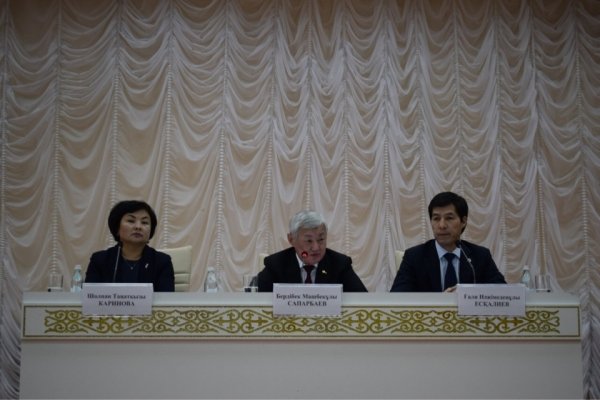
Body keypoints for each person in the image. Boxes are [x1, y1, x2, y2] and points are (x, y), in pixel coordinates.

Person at [391, 191, 506, 292]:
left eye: (449, 218)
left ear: (463, 221)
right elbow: (398, 298)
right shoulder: (414, 257)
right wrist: (441, 302)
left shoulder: (480, 256)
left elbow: (502, 292)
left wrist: (467, 295)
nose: (442, 225)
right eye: (436, 218)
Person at [257, 210, 367, 292]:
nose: (316, 248)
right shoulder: (276, 264)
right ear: (291, 239)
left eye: (321, 239)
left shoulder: (340, 264)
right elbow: (254, 300)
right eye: (309, 241)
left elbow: (362, 301)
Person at [85, 200, 175, 292]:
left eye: (144, 222)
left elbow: (167, 299)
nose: (138, 227)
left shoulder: (162, 262)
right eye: (131, 221)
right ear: (117, 228)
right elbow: (90, 296)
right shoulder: (100, 260)